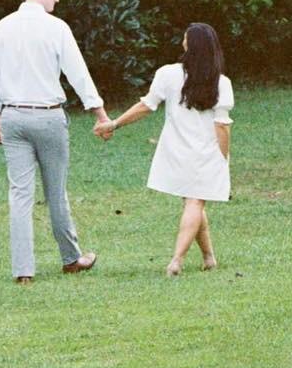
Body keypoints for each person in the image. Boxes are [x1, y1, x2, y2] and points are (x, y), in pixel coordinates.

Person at [0, 0, 112, 284]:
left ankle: (23, 270)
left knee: (20, 194)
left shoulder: (1, 27)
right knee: (56, 191)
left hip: (13, 116)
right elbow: (78, 73)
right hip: (48, 116)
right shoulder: (56, 28)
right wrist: (99, 113)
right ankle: (71, 258)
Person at [94, 22, 233, 276]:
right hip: (206, 152)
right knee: (195, 202)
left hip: (176, 150)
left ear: (190, 45)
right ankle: (176, 260)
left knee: (193, 202)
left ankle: (209, 258)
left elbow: (146, 106)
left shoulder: (168, 74)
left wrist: (114, 123)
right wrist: (223, 158)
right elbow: (222, 126)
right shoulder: (221, 82)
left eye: (185, 38)